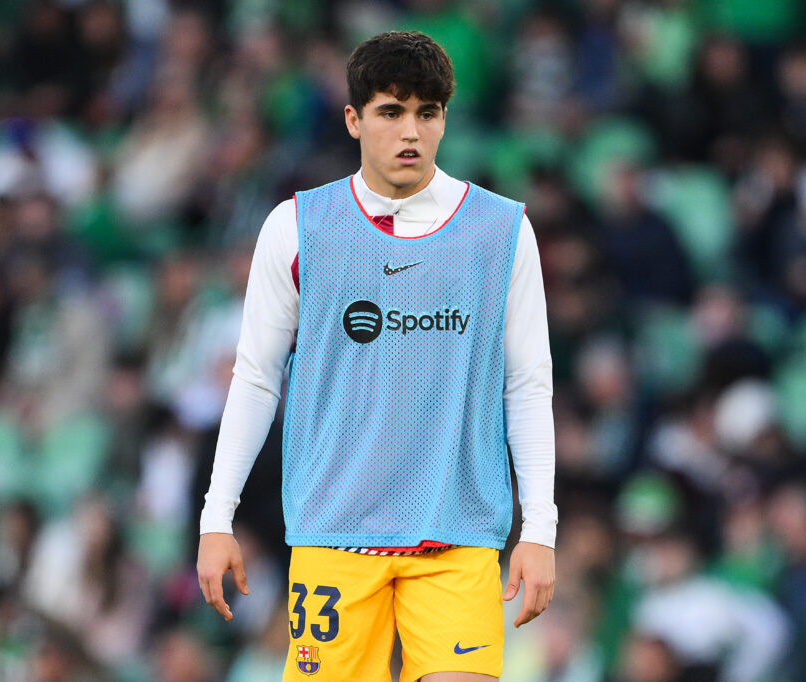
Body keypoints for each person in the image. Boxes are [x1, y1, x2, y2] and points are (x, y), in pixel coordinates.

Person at [195, 31, 557, 682]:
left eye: (428, 111)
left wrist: (541, 527)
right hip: (335, 535)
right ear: (354, 119)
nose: (410, 130)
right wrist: (216, 516)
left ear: (446, 119)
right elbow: (255, 378)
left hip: (459, 535)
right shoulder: (298, 228)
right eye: (392, 111)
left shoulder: (501, 232)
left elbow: (527, 385)